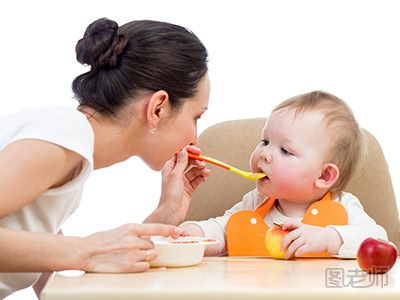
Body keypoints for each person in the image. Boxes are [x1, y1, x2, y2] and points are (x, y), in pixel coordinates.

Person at [0, 17, 211, 299]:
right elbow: (73, 255)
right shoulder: (64, 135)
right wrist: (87, 251)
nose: (194, 138)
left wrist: (166, 213)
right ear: (158, 108)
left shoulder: (69, 146)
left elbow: (46, 266)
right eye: (196, 117)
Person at [180, 91, 388, 259]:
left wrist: (328, 238)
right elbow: (224, 230)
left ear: (324, 175)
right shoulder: (256, 203)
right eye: (265, 141)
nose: (265, 154)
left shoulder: (344, 207)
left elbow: (379, 240)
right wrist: (195, 233)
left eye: (286, 151)